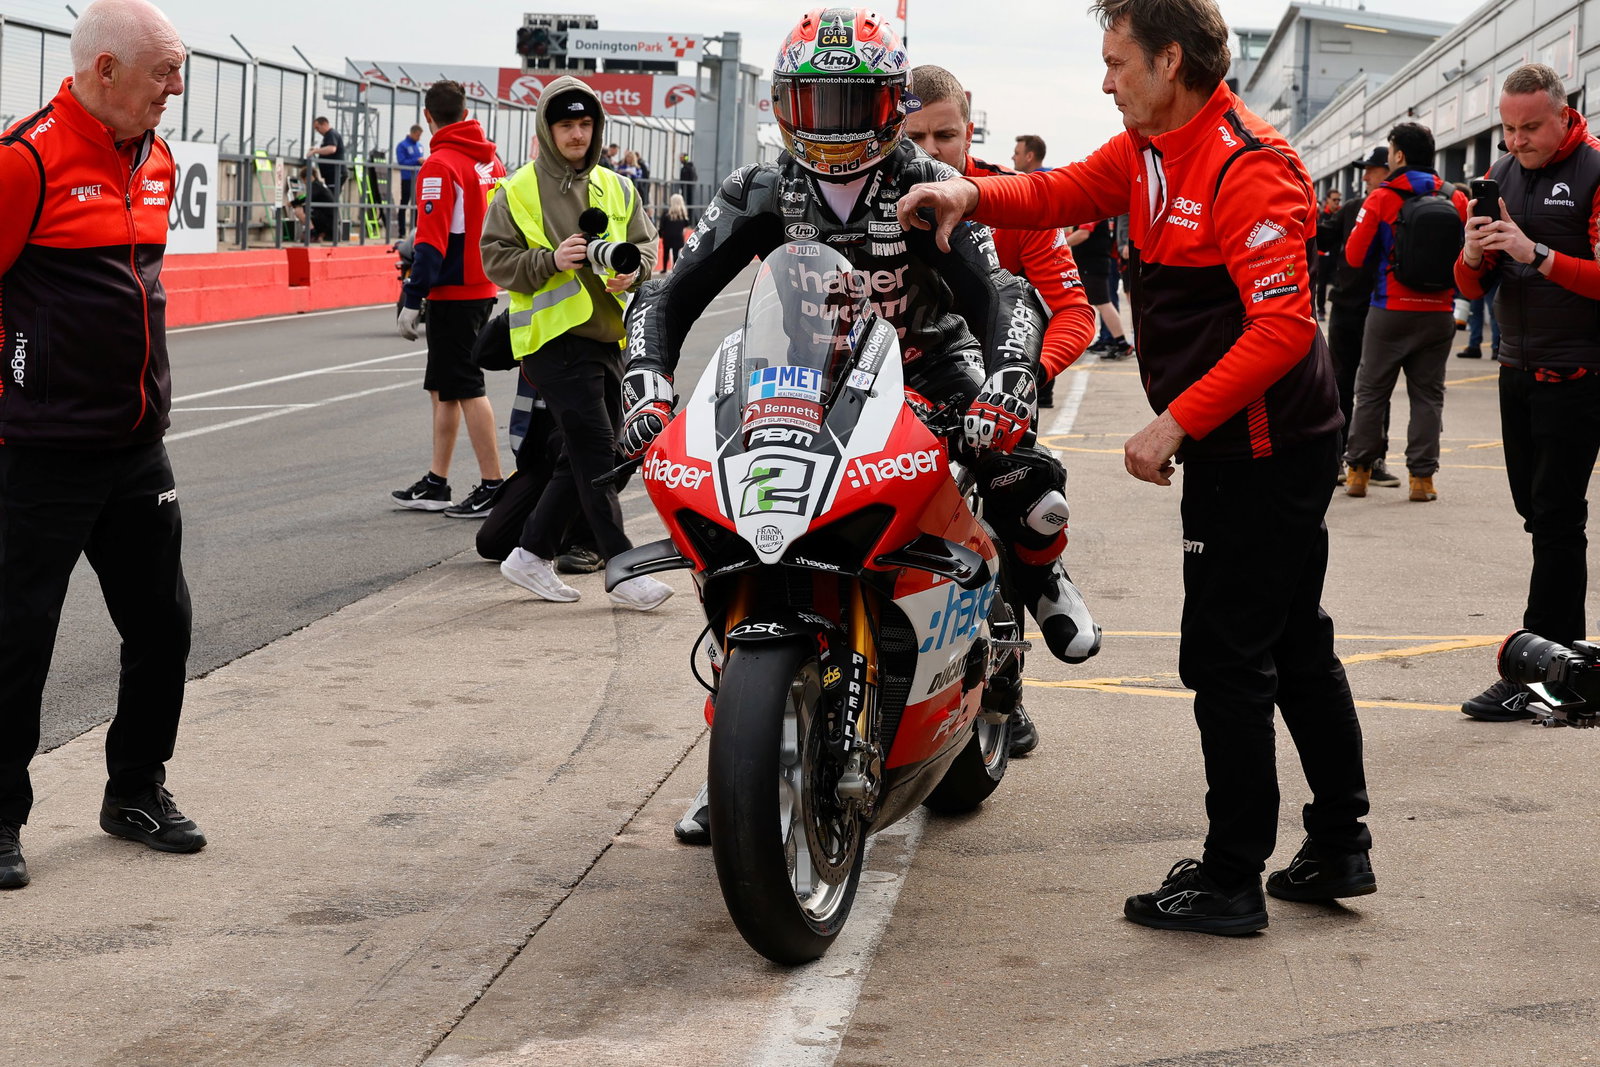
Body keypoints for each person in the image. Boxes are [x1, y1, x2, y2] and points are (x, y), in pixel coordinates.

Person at [901, 0, 1373, 936]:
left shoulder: (1248, 163)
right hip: (1247, 441)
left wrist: (1174, 423)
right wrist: (967, 195)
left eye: (1117, 61)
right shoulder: (1148, 144)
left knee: (1228, 657)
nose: (1104, 79)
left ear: (1169, 60)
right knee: (1293, 638)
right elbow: (1058, 193)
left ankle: (1233, 876)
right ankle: (1339, 842)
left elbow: (1284, 328)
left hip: (1265, 447)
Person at [622, 9, 1099, 836]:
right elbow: (667, 292)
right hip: (803, 374)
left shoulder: (927, 185)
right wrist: (644, 379)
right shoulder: (761, 188)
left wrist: (1012, 378)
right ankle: (738, 757)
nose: (832, 125)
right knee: (738, 531)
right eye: (814, 104)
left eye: (850, 103)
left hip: (929, 368)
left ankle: (1042, 573)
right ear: (782, 107)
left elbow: (1005, 295)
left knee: (1020, 477)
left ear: (887, 105)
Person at [0, 0, 208, 890]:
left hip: (136, 448)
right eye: (163, 69)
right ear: (106, 69)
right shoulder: (25, 159)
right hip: (38, 451)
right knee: (15, 640)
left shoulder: (155, 156)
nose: (177, 86)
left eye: (181, 68)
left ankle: (135, 789)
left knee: (163, 625)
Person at [479, 77, 669, 610]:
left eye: (586, 124)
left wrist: (632, 275)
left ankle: (532, 553)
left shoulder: (618, 185)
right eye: (567, 124)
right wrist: (549, 260)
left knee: (596, 454)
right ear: (548, 127)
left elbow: (647, 245)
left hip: (608, 335)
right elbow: (493, 259)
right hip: (553, 342)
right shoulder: (517, 189)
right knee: (592, 453)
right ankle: (622, 567)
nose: (577, 134)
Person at [1456, 63, 1600, 721]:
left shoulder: (1595, 170)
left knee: (1555, 518)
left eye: (1530, 127)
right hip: (1515, 371)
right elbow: (1465, 289)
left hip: (1577, 374)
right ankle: (1561, 662)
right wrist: (1477, 253)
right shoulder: (1502, 173)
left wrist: (1533, 250)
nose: (1517, 140)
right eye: (1508, 128)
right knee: (1537, 513)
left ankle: (1543, 669)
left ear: (1566, 115)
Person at [905, 65, 1100, 418]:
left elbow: (1073, 311)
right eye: (914, 137)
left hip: (991, 396)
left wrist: (1021, 377)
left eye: (945, 135)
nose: (929, 150)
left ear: (968, 134)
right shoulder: (865, 193)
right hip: (891, 388)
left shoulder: (1017, 199)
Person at [390, 81, 509, 517]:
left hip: (454, 291)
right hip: (483, 284)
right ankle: (437, 482)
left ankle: (493, 483)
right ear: (465, 111)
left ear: (428, 116)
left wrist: (412, 295)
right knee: (444, 388)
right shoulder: (491, 160)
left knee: (466, 386)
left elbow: (431, 240)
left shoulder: (439, 165)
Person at [1341, 122, 1468, 503]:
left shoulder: (1381, 197)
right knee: (1428, 396)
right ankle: (1422, 481)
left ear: (1398, 155)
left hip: (1389, 309)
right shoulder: (1456, 199)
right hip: (1439, 311)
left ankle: (1358, 474)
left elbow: (1353, 255)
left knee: (1372, 392)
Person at [1066, 219, 1134, 361]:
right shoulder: (1089, 212)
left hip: (1093, 265)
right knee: (1101, 302)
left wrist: (1059, 245)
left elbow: (1083, 234)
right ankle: (1117, 341)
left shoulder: (1091, 214)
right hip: (1091, 264)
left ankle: (1121, 343)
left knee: (1103, 303)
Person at [310, 115, 344, 231]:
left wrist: (315, 151)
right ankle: (332, 229)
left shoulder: (331, 134)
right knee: (330, 201)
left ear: (324, 124)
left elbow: (332, 149)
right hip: (331, 174)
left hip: (336, 173)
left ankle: (334, 231)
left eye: (318, 128)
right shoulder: (328, 136)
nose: (317, 131)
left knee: (331, 200)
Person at [1314, 189, 1342, 320]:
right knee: (1322, 284)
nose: (1337, 202)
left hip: (1337, 256)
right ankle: (1320, 310)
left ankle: (1339, 309)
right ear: (1328, 200)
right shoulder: (1321, 215)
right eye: (1334, 200)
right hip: (1323, 256)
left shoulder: (1341, 214)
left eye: (1338, 200)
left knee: (1339, 282)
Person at [395, 124, 425, 232]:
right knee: (405, 202)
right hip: (407, 178)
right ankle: (402, 231)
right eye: (417, 135)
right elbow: (401, 162)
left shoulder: (420, 146)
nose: (419, 138)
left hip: (418, 179)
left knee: (418, 204)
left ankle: (416, 230)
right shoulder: (402, 146)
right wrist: (417, 161)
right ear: (412, 133)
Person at [659, 192, 690, 271]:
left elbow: (662, 225)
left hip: (667, 236)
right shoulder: (682, 214)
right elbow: (686, 225)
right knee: (675, 253)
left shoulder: (666, 213)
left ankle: (664, 269)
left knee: (666, 253)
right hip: (678, 236)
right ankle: (675, 269)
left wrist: (660, 234)